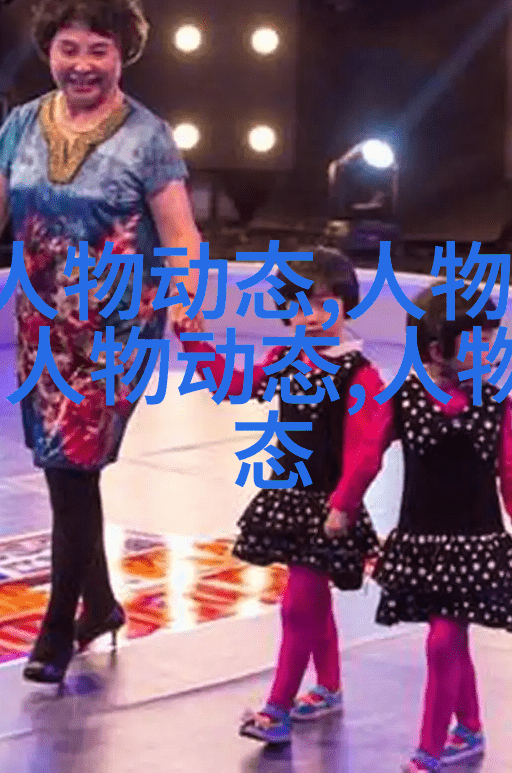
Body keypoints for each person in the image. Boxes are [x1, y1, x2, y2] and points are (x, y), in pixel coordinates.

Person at [0, 0, 202, 684]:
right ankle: (99, 603)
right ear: (49, 50)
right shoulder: (22, 125)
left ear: (122, 54)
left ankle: (56, 628)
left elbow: (180, 234)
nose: (82, 65)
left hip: (116, 329)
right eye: (68, 49)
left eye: (98, 50)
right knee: (63, 472)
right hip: (41, 325)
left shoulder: (148, 138)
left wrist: (187, 296)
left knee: (73, 464)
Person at [177, 247, 387, 745]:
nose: (310, 317)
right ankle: (328, 687)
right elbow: (232, 385)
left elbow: (367, 453)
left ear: (346, 304)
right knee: (311, 601)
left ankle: (276, 709)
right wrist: (193, 340)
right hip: (289, 501)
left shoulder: (360, 376)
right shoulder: (285, 360)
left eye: (323, 304)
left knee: (297, 606)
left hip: (329, 508)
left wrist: (343, 505)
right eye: (300, 305)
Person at [357, 285, 512, 770]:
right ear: (437, 351)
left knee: (444, 640)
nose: (490, 349)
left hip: (474, 545)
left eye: (491, 338)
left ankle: (431, 749)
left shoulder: (493, 402)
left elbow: (508, 462)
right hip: (422, 543)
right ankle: (470, 727)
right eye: (478, 339)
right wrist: (342, 505)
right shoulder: (403, 401)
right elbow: (368, 455)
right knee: (451, 639)